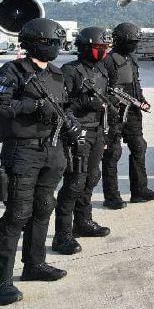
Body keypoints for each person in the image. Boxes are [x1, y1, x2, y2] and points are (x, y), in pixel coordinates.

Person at [0, 18, 78, 304]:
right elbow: (2, 105)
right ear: (35, 42)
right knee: (17, 214)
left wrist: (72, 126)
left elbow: (64, 108)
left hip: (52, 149)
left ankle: (34, 265)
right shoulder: (13, 71)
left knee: (44, 207)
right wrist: (34, 106)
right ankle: (2, 280)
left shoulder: (57, 76)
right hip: (23, 151)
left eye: (58, 43)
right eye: (52, 43)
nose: (56, 48)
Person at [52, 27, 114, 256]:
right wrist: (84, 102)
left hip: (97, 130)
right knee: (74, 182)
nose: (103, 52)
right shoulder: (70, 71)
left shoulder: (101, 69)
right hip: (79, 132)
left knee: (91, 177)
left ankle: (83, 222)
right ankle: (62, 235)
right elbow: (61, 106)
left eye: (105, 48)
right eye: (99, 48)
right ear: (86, 47)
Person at [101, 22, 154, 209]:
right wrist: (112, 103)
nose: (133, 45)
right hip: (114, 112)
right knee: (112, 153)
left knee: (139, 147)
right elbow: (101, 88)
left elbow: (136, 84)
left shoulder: (131, 59)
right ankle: (112, 196)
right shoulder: (108, 61)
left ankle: (140, 190)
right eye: (130, 41)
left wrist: (142, 100)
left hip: (132, 110)